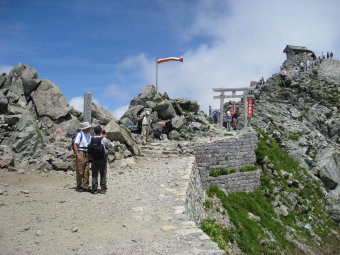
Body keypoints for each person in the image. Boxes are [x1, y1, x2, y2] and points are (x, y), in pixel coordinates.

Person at [89, 126, 112, 194]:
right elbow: (109, 146)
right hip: (102, 159)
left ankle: (94, 188)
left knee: (94, 174)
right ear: (101, 131)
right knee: (103, 173)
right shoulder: (104, 139)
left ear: (94, 131)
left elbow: (88, 146)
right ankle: (103, 188)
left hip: (94, 159)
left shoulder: (91, 139)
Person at [73, 122, 92, 192]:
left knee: (87, 170)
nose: (89, 129)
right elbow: (75, 145)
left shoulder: (89, 135)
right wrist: (78, 155)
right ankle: (79, 186)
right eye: (88, 128)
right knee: (80, 170)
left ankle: (85, 186)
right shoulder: (79, 134)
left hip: (87, 152)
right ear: (85, 128)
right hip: (81, 151)